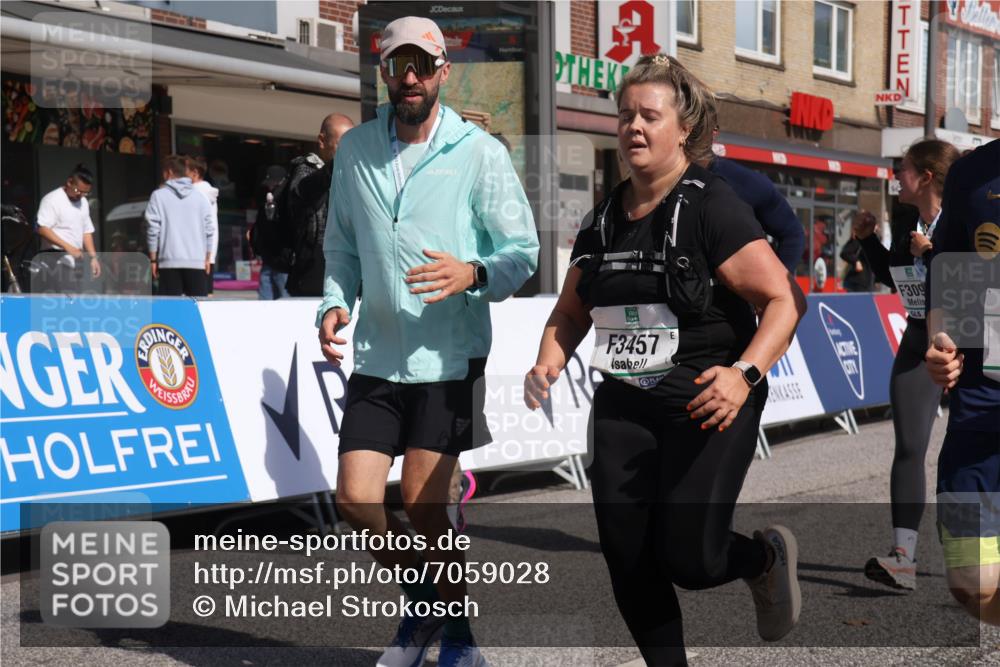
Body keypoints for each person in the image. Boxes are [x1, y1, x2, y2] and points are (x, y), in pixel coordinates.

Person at [523, 54, 806, 665]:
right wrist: (547, 361)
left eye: (649, 116)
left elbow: (783, 300)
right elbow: (572, 312)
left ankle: (763, 559)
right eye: (625, 116)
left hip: (707, 400)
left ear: (683, 129)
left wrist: (744, 374)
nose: (634, 127)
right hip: (625, 403)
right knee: (628, 557)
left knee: (691, 559)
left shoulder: (711, 206)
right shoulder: (602, 219)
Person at [315, 16, 538, 667]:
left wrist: (475, 272)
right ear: (383, 72)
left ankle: (460, 636)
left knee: (423, 501)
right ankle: (428, 602)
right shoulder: (354, 150)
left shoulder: (479, 153)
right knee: (355, 499)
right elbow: (341, 245)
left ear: (442, 71)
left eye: (421, 65)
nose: (408, 77)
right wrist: (335, 302)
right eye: (396, 65)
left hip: (449, 355)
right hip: (378, 353)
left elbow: (521, 252)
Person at [854, 139, 959, 590]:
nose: (897, 175)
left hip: (969, 346)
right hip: (918, 342)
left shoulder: (964, 219)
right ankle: (903, 557)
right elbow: (894, 274)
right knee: (910, 447)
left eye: (904, 169)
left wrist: (931, 253)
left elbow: (982, 274)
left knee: (974, 452)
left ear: (927, 177)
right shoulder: (904, 221)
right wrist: (867, 242)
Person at [924, 138, 1000, 624]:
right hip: (980, 403)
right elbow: (945, 267)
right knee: (972, 583)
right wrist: (939, 341)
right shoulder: (972, 173)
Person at [704, 121, 805, 273]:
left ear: (714, 132)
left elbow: (793, 233)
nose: (690, 132)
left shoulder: (741, 180)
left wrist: (775, 287)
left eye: (698, 125)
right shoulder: (661, 177)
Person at [286, 113, 355, 296]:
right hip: (312, 275)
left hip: (348, 269)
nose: (349, 151)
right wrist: (337, 165)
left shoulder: (353, 175)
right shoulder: (304, 170)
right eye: (343, 144)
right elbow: (304, 191)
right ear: (322, 141)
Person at [145, 154, 216, 297]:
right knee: (197, 311)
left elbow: (153, 229)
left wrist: (153, 258)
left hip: (169, 261)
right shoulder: (200, 198)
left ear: (170, 172)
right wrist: (207, 258)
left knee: (169, 313)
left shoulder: (158, 196)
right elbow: (210, 230)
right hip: (197, 261)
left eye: (164, 172)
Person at [34, 164, 101, 291]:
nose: (80, 195)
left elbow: (86, 231)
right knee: (68, 301)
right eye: (78, 191)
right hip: (56, 260)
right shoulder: (53, 200)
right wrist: (67, 247)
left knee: (75, 300)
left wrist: (93, 257)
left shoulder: (83, 203)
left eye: (85, 193)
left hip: (76, 261)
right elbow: (42, 228)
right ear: (69, 182)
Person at [186, 155, 219, 295]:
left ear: (195, 172)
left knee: (196, 293)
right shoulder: (206, 189)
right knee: (206, 292)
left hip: (197, 248)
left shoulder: (194, 191)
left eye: (185, 170)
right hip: (206, 248)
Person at [256, 165, 290, 300]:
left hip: (280, 252)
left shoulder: (286, 196)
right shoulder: (272, 197)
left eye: (271, 183)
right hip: (272, 252)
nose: (269, 186)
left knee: (281, 291)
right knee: (272, 288)